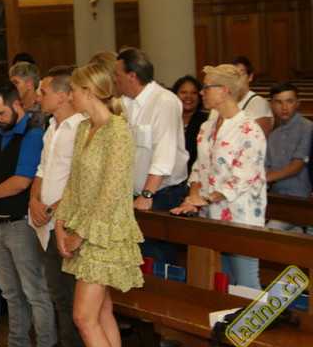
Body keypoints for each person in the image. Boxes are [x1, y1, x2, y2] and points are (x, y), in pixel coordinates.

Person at [54, 63, 143, 347]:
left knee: (83, 317)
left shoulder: (117, 130)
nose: (70, 96)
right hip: (84, 229)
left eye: (73, 91)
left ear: (89, 92)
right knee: (101, 313)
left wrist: (80, 235)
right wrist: (60, 224)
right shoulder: (84, 128)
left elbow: (111, 193)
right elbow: (73, 183)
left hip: (106, 235)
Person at [171, 64, 267, 290]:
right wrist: (193, 196)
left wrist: (205, 198)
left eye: (206, 87)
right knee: (224, 280)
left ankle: (255, 315)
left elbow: (241, 178)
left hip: (240, 215)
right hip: (212, 214)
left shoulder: (249, 129)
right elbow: (198, 166)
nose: (201, 92)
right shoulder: (207, 127)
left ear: (224, 90)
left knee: (246, 280)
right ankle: (231, 314)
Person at [0, 81, 56, 347]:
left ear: (16, 104)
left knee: (35, 292)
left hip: (21, 224)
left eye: (1, 113)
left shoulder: (33, 135)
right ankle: (18, 346)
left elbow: (22, 181)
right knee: (10, 293)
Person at [28, 66, 85, 347]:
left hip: (69, 223)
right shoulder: (51, 127)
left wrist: (52, 210)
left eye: (43, 92)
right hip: (46, 222)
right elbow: (41, 169)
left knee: (75, 298)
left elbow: (80, 180)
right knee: (59, 295)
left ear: (62, 96)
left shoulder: (82, 128)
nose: (38, 97)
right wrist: (33, 201)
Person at [113, 48, 188, 264]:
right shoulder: (124, 103)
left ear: (132, 75)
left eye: (117, 74)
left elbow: (164, 153)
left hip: (161, 193)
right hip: (132, 194)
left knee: (155, 256)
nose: (114, 79)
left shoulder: (164, 101)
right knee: (132, 257)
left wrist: (147, 194)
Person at [265, 82, 312, 232]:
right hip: (278, 197)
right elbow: (271, 167)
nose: (284, 107)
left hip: (299, 197)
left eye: (289, 101)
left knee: (270, 231)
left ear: (298, 103)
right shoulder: (274, 135)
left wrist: (262, 179)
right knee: (292, 236)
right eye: (278, 102)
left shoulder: (307, 128)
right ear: (272, 104)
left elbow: (296, 167)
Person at [211, 55, 273, 139]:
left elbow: (257, 139)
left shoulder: (259, 103)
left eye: (241, 73)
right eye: (232, 75)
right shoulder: (219, 102)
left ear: (250, 77)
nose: (236, 79)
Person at [171, 75, 208, 174]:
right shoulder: (167, 119)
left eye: (193, 93)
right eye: (183, 92)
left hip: (196, 175)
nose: (188, 96)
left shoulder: (206, 121)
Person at [10, 61, 48, 130]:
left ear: (30, 84)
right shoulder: (13, 108)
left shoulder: (44, 108)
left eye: (16, 83)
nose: (12, 87)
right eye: (11, 83)